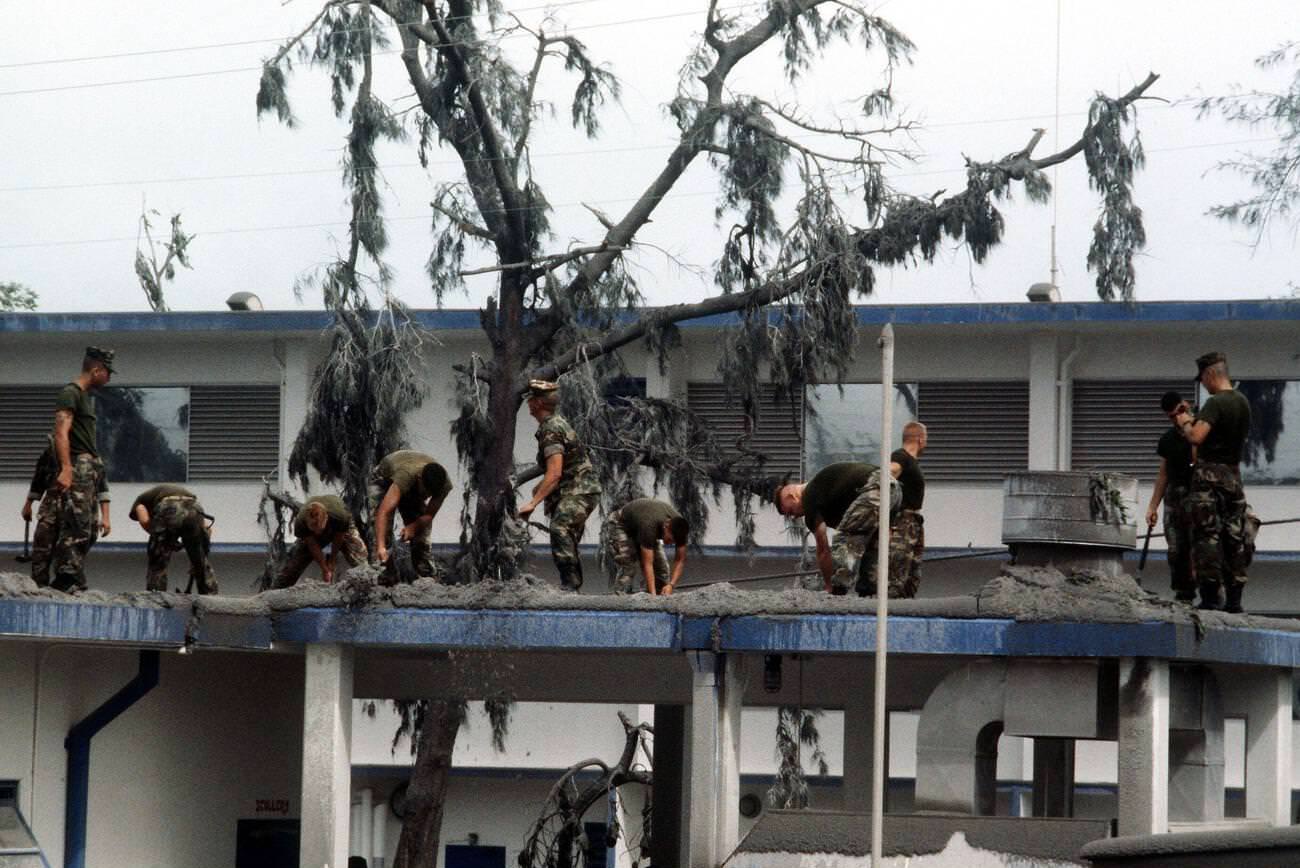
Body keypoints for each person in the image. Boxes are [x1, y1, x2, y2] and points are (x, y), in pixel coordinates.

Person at [1173, 352, 1252, 612]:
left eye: (1203, 380)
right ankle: (1235, 599)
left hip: (1209, 478)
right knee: (1234, 536)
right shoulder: (1242, 402)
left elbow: (1197, 437)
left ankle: (1209, 596)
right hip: (1233, 476)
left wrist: (1185, 423)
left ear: (1210, 375)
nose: (1204, 385)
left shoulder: (1216, 402)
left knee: (1207, 535)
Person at [37, 346, 114, 591]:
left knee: (88, 528)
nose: (109, 378)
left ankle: (71, 575)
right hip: (78, 465)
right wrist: (67, 468)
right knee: (78, 525)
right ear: (96, 370)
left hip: (88, 467)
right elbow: (61, 432)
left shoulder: (84, 398)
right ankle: (66, 576)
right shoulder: (71, 393)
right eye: (107, 372)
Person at [517, 380, 601, 592]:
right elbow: (557, 470)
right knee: (568, 537)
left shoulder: (551, 429)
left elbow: (554, 473)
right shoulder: (555, 424)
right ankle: (573, 586)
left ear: (537, 404)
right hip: (579, 489)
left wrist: (533, 503)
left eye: (530, 400)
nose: (528, 404)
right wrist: (540, 488)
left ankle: (570, 585)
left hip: (579, 489)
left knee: (559, 529)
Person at [775, 461, 901, 595]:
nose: (793, 517)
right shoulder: (826, 491)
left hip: (874, 488)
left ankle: (837, 589)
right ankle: (869, 589)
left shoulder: (809, 497)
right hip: (894, 488)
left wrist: (829, 585)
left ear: (792, 496)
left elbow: (823, 550)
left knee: (843, 539)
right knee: (873, 543)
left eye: (789, 511)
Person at [25, 436, 111, 586]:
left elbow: (102, 489)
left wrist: (106, 518)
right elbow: (38, 480)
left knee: (69, 554)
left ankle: (69, 588)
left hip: (77, 513)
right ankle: (38, 589)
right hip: (51, 509)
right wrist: (28, 504)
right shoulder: (50, 453)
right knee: (41, 549)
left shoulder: (91, 456)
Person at [864, 421, 928, 599]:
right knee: (896, 575)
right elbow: (885, 474)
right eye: (926, 439)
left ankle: (904, 611)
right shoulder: (902, 457)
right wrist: (886, 521)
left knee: (911, 576)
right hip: (902, 523)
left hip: (913, 523)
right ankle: (889, 613)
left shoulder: (910, 461)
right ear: (920, 439)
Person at [1145, 391, 1197, 602]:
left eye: (1180, 412)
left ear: (1186, 406)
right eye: (1172, 416)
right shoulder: (1168, 439)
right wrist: (1152, 506)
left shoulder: (1202, 430)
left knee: (1201, 548)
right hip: (1174, 497)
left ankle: (1212, 595)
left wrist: (1188, 426)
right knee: (1176, 550)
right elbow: (1163, 474)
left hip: (1198, 495)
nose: (1177, 418)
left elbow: (1199, 458)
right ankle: (1183, 593)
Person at [371, 450, 452, 580]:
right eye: (426, 491)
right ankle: (384, 576)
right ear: (419, 479)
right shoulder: (406, 476)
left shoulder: (444, 485)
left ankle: (427, 579)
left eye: (432, 494)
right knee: (380, 531)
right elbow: (383, 512)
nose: (428, 496)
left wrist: (413, 527)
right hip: (384, 477)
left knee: (422, 534)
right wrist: (381, 546)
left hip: (410, 480)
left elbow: (429, 515)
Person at [129, 483, 218, 594]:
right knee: (200, 562)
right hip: (194, 507)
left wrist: (162, 541)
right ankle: (209, 598)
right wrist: (200, 553)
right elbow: (207, 529)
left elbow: (145, 521)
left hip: (169, 507)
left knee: (158, 560)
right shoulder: (178, 493)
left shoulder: (140, 501)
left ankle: (156, 596)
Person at [273, 495, 369, 588]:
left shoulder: (340, 515)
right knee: (294, 562)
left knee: (359, 555)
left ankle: (369, 582)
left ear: (327, 518)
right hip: (311, 533)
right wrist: (324, 568)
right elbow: (312, 545)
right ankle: (275, 592)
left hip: (342, 527)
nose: (318, 533)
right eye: (314, 530)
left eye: (320, 530)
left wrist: (332, 560)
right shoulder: (300, 522)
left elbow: (339, 538)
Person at [604, 497, 690, 595]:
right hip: (621, 524)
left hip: (643, 525)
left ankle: (662, 597)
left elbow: (680, 560)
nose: (670, 543)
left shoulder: (681, 529)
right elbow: (647, 564)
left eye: (674, 542)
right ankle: (621, 599)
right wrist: (652, 595)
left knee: (662, 569)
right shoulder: (649, 525)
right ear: (666, 526)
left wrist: (671, 585)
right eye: (669, 539)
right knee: (629, 566)